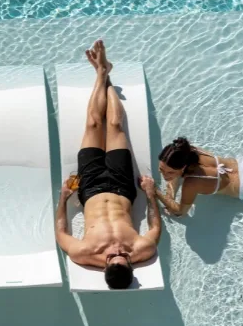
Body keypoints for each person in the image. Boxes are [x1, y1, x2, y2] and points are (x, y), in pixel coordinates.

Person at [55, 39, 163, 289]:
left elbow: (61, 231)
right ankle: (106, 76)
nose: (117, 250)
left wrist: (63, 198)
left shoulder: (83, 253)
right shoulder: (143, 249)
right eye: (123, 256)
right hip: (122, 186)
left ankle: (101, 73)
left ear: (104, 265)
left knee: (93, 124)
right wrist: (150, 194)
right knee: (114, 125)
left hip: (90, 187)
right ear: (131, 264)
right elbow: (155, 225)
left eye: (113, 256)